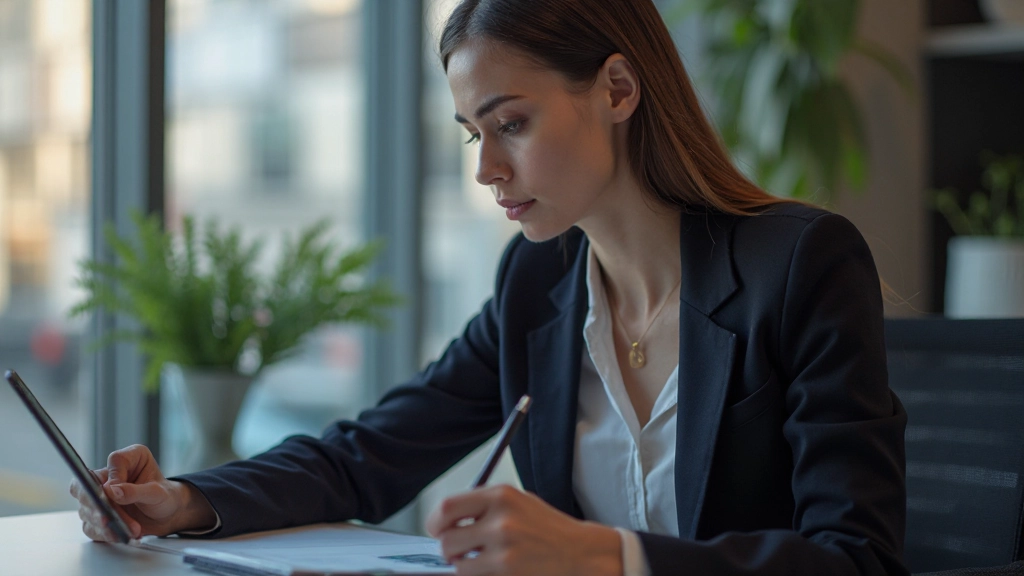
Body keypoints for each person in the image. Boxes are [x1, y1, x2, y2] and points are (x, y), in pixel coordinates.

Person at [71, 1, 908, 574]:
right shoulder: (538, 283)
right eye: (475, 132)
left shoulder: (800, 264)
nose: (486, 169)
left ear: (618, 89)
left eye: (512, 123)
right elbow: (369, 455)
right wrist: (183, 500)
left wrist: (600, 557)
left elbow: (856, 560)